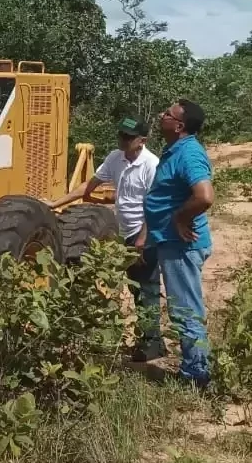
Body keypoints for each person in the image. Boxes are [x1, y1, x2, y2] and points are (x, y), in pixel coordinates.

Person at [50, 117, 162, 359]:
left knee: (146, 288)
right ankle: (105, 334)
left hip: (144, 234)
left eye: (128, 137)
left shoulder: (151, 165)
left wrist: (143, 239)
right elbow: (88, 187)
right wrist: (54, 204)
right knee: (113, 283)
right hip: (123, 232)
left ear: (142, 141)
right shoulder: (115, 157)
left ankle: (152, 343)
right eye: (121, 135)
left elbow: (156, 206)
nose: (122, 140)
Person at [142, 99, 215, 387]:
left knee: (186, 309)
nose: (161, 115)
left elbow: (205, 196)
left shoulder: (189, 154)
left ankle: (196, 376)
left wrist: (181, 220)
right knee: (183, 307)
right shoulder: (175, 151)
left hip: (181, 244)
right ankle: (195, 368)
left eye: (167, 114)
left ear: (180, 125)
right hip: (170, 240)